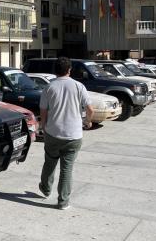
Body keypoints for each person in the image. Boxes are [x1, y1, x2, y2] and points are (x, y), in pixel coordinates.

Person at [38, 57, 94, 210]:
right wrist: (88, 122)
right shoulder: (78, 86)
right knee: (67, 169)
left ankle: (45, 188)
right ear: (69, 70)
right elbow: (90, 109)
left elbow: (43, 111)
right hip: (73, 135)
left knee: (49, 162)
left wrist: (44, 126)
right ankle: (63, 202)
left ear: (55, 70)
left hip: (53, 133)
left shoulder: (49, 87)